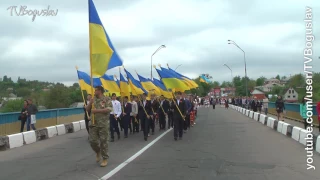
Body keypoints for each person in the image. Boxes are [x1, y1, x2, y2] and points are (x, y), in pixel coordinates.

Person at [86, 86, 112, 167]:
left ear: (100, 91)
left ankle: (105, 158)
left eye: (96, 90)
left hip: (103, 124)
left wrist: (97, 111)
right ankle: (98, 151)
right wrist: (90, 103)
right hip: (93, 124)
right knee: (92, 141)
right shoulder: (93, 99)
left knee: (104, 142)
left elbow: (109, 109)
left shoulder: (106, 99)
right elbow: (87, 109)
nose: (94, 91)